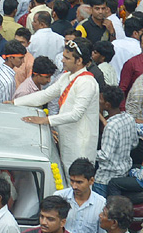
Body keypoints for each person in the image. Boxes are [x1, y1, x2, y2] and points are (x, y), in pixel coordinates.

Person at [14, 40, 100, 168]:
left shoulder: (87, 82)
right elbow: (45, 95)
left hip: (80, 144)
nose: (62, 61)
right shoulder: (66, 77)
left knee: (77, 181)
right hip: (67, 140)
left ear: (79, 61)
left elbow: (76, 114)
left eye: (67, 58)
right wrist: (15, 102)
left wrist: (45, 120)